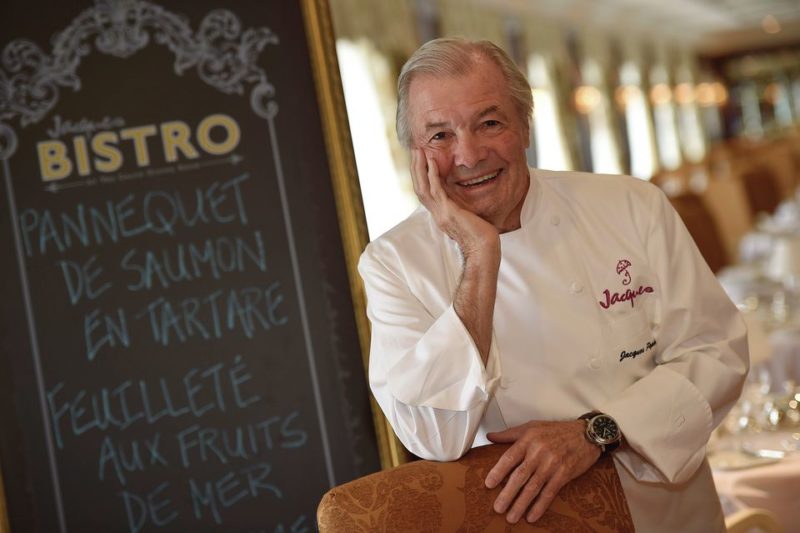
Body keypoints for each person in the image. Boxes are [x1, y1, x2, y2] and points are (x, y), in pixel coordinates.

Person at [358, 37, 748, 532]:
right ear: (414, 154)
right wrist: (480, 258)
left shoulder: (632, 206)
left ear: (524, 125)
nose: (469, 154)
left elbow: (718, 351)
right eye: (439, 135)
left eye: (490, 123)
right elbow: (434, 437)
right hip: (531, 521)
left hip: (667, 514)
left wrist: (597, 432)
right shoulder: (392, 264)